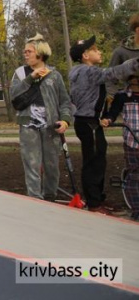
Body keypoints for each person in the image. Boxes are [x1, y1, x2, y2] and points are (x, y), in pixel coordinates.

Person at [69, 35, 139, 214]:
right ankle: (94, 203)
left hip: (89, 123)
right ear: (85, 55)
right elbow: (112, 73)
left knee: (98, 159)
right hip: (88, 122)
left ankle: (98, 198)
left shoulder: (80, 72)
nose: (99, 52)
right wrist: (134, 63)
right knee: (93, 163)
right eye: (95, 49)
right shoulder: (88, 72)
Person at [10, 33, 73, 201]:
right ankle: (35, 200)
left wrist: (66, 120)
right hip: (27, 126)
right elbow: (13, 96)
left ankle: (50, 197)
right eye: (25, 51)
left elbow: (65, 102)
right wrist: (31, 78)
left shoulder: (54, 75)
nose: (25, 54)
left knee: (52, 166)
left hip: (51, 127)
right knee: (31, 164)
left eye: (29, 51)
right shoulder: (21, 74)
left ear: (40, 53)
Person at [102, 75, 139, 220]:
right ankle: (136, 209)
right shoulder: (122, 96)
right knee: (134, 174)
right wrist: (108, 120)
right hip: (132, 140)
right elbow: (113, 113)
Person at [108, 14, 139, 99]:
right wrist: (117, 99)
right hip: (131, 102)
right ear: (137, 29)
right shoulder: (120, 52)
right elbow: (110, 79)